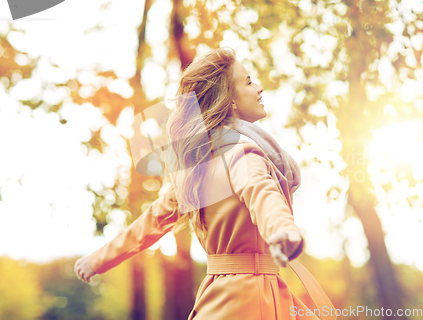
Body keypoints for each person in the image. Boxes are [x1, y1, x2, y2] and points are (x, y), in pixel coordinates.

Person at [74, 47, 335, 320]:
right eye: (248, 81)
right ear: (229, 100)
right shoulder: (240, 151)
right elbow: (261, 192)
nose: (259, 88)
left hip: (219, 296)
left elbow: (151, 223)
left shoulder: (197, 166)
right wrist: (282, 230)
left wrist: (97, 260)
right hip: (254, 300)